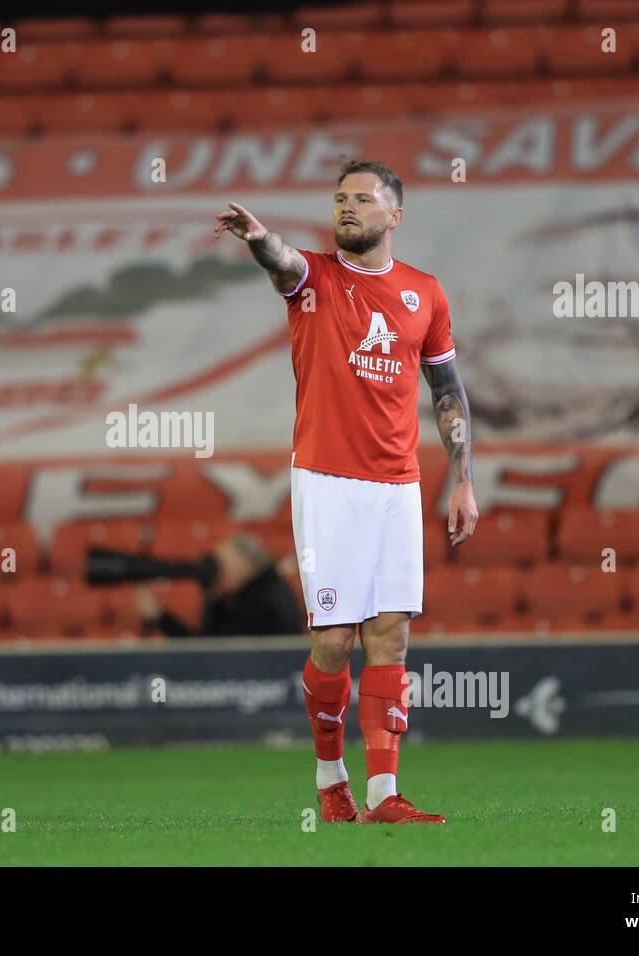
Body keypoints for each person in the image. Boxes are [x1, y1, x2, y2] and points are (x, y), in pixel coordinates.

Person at [213, 160, 479, 824]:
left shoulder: (426, 293)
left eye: (363, 198)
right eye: (339, 198)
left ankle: (385, 795)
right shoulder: (314, 278)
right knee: (334, 639)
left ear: (396, 215)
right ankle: (331, 779)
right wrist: (257, 239)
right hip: (328, 481)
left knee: (390, 636)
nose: (348, 208)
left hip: (398, 486)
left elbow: (446, 390)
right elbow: (281, 264)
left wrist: (463, 480)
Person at [134, 532, 303, 637]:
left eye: (222, 565)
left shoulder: (262, 599)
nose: (218, 572)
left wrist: (161, 619)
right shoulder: (265, 587)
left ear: (244, 564)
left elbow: (212, 652)